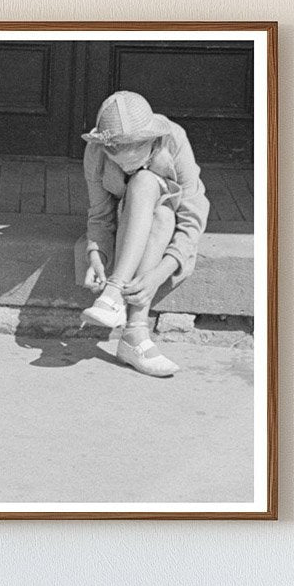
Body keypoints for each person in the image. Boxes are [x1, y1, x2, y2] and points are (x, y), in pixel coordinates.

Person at [79, 90, 209, 377]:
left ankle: (116, 297)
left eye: (134, 158)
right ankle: (134, 335)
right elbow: (100, 215)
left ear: (151, 141)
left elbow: (193, 217)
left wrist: (160, 273)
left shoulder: (174, 140)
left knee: (150, 188)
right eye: (117, 159)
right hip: (125, 232)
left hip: (165, 233)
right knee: (146, 187)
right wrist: (96, 254)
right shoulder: (96, 152)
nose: (124, 165)